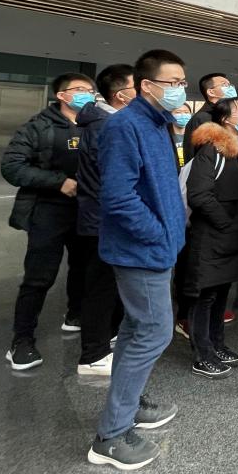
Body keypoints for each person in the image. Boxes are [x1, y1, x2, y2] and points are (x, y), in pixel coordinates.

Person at [87, 49, 187, 471]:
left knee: (134, 330)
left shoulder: (158, 123)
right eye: (172, 83)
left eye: (183, 82)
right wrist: (158, 233)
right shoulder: (124, 126)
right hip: (140, 250)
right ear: (147, 85)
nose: (179, 89)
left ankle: (129, 405)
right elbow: (118, 197)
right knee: (154, 333)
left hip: (157, 248)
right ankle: (111, 436)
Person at [1, 71, 94, 370]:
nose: (87, 94)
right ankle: (22, 340)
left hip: (86, 210)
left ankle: (75, 315)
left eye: (90, 90)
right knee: (39, 276)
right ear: (62, 95)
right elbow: (12, 166)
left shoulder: (96, 125)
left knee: (83, 268)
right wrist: (58, 182)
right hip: (48, 210)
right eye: (79, 89)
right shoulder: (38, 126)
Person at [183, 98, 238, 379]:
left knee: (221, 293)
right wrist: (225, 223)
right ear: (226, 119)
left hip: (233, 235)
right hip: (212, 235)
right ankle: (202, 354)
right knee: (205, 295)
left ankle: (217, 344)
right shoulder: (211, 150)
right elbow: (199, 195)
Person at [74, 63, 135, 377]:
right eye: (138, 85)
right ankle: (93, 354)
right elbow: (111, 179)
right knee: (100, 287)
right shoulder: (105, 126)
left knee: (111, 285)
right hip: (104, 220)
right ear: (121, 94)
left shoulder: (113, 122)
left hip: (109, 217)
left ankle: (109, 337)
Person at [183, 73, 237, 163]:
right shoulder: (202, 118)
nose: (230, 88)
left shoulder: (228, 116)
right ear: (211, 92)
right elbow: (194, 157)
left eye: (230, 84)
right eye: (224, 84)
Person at [170, 102, 192, 168]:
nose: (183, 115)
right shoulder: (166, 136)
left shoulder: (195, 136)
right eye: (178, 112)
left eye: (186, 112)